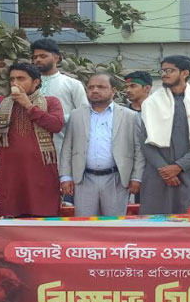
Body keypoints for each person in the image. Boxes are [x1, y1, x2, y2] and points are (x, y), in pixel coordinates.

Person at [139, 55, 190, 215]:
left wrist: (178, 167)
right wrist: (164, 170)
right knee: (151, 220)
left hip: (187, 174)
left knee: (182, 220)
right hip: (156, 173)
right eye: (163, 71)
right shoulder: (151, 103)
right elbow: (144, 141)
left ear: (185, 73)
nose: (164, 74)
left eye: (170, 70)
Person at [59, 73, 145, 217]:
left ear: (113, 91)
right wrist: (66, 177)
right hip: (84, 179)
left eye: (101, 87)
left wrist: (136, 177)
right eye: (91, 87)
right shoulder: (76, 115)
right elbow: (67, 147)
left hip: (116, 179)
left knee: (114, 223)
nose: (95, 90)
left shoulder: (129, 116)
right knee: (85, 223)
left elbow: (138, 149)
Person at [0, 63, 65, 218]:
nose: (15, 83)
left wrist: (29, 105)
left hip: (41, 175)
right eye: (12, 79)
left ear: (35, 82)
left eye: (21, 79)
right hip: (10, 176)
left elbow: (56, 125)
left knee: (43, 218)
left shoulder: (51, 102)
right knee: (11, 219)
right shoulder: (1, 104)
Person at [31, 38, 90, 157]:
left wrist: (57, 119)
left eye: (43, 56)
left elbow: (84, 113)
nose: (38, 60)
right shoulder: (29, 85)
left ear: (56, 58)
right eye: (35, 57)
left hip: (63, 146)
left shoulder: (72, 84)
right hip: (32, 146)